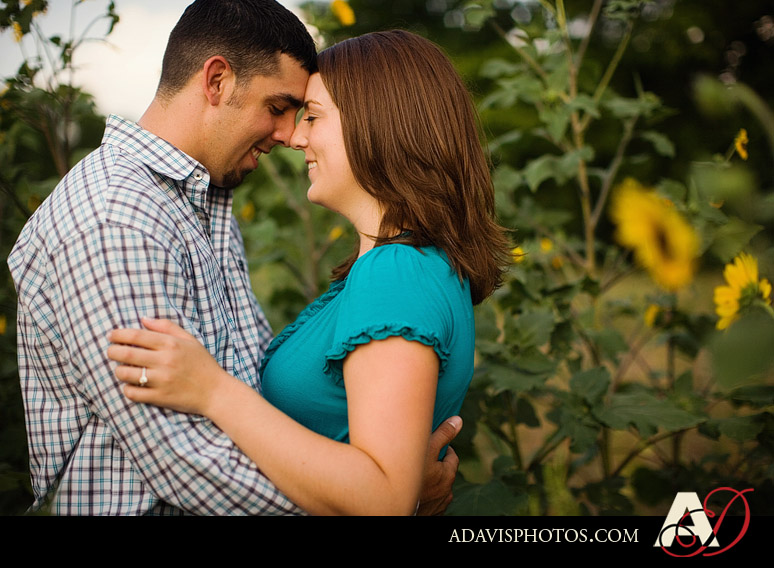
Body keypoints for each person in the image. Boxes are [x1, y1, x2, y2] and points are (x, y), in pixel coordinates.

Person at [8, 0, 459, 516]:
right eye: (278, 107)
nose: (290, 135)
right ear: (217, 80)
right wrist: (377, 495)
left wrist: (386, 480)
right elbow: (183, 457)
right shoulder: (117, 218)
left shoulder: (201, 202)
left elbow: (246, 391)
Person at [107, 30, 511, 515]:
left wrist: (215, 392)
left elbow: (384, 500)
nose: (295, 138)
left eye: (313, 117)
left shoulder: (396, 273)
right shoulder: (416, 266)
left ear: (377, 126)